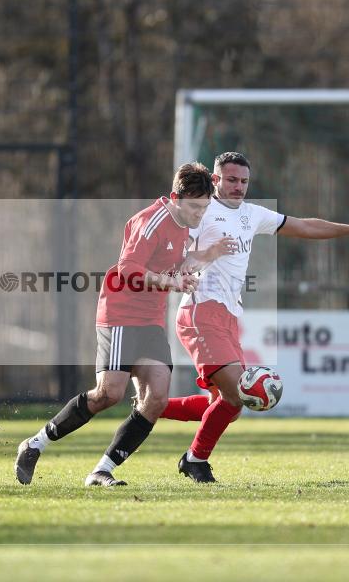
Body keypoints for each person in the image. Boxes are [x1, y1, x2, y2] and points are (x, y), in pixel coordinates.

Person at [161, 151, 349, 483]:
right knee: (236, 397)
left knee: (225, 405)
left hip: (227, 316)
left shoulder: (253, 215)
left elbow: (304, 225)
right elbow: (173, 248)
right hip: (199, 311)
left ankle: (152, 406)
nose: (238, 187)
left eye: (243, 181)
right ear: (215, 180)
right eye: (231, 180)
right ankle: (195, 460)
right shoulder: (200, 210)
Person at [15, 162, 228, 487]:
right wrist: (168, 283)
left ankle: (102, 470)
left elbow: (179, 262)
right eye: (195, 207)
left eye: (204, 208)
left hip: (151, 320)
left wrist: (207, 255)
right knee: (108, 395)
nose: (200, 214)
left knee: (156, 398)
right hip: (121, 314)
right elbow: (128, 268)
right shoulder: (151, 220)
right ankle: (35, 444)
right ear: (175, 197)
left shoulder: (187, 224)